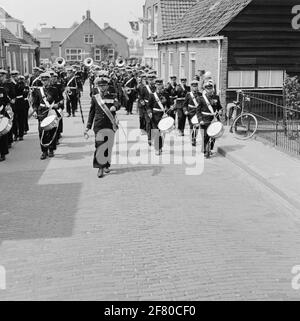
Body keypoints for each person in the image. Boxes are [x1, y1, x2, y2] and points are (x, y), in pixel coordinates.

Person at [85, 77, 120, 178]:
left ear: (107, 86)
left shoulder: (112, 96)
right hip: (99, 125)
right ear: (98, 87)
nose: (102, 87)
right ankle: (100, 167)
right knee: (100, 145)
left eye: (104, 85)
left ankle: (106, 165)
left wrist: (115, 107)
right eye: (100, 86)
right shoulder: (95, 97)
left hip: (110, 124)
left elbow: (118, 103)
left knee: (108, 145)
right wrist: (88, 126)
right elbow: (91, 113)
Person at [32, 72, 64, 160]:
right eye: (43, 80)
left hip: (51, 111)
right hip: (41, 112)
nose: (44, 82)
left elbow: (60, 100)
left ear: (49, 80)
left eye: (46, 80)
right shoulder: (38, 90)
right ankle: (44, 151)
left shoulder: (55, 89)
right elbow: (35, 103)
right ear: (41, 81)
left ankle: (51, 150)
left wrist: (58, 105)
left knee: (52, 131)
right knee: (41, 132)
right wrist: (34, 111)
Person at [196, 79, 223, 157]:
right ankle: (205, 150)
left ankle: (210, 149)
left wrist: (220, 111)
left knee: (214, 134)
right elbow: (198, 111)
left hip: (214, 118)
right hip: (204, 119)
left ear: (212, 88)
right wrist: (200, 120)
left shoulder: (216, 97)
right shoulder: (201, 98)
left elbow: (219, 107)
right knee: (205, 136)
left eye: (210, 88)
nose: (209, 90)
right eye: (207, 88)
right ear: (205, 89)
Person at [147, 79, 171, 156]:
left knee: (162, 133)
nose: (159, 86)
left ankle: (160, 146)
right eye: (157, 85)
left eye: (160, 84)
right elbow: (148, 106)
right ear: (155, 85)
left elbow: (169, 105)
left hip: (163, 115)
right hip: (155, 115)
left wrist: (170, 109)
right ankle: (157, 148)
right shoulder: (152, 95)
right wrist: (149, 112)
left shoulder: (166, 94)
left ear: (162, 85)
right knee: (156, 132)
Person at [183, 79, 202, 147]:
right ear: (191, 87)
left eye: (196, 86)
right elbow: (184, 104)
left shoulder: (200, 94)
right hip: (190, 112)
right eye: (193, 86)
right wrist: (185, 111)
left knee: (197, 126)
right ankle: (192, 137)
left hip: (198, 112)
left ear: (197, 87)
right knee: (192, 125)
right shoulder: (188, 94)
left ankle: (194, 138)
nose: (195, 88)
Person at [0, 69, 12, 162]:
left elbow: (7, 101)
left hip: (1, 114)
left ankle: (3, 153)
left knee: (2, 134)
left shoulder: (2, 90)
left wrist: (7, 107)